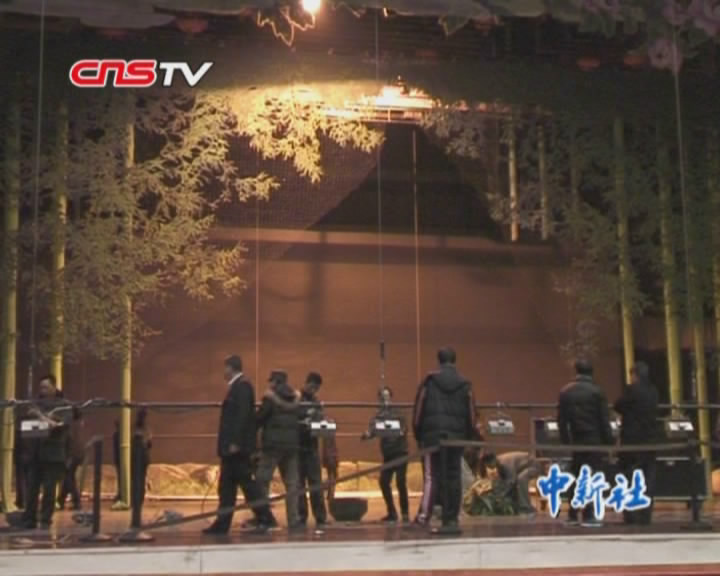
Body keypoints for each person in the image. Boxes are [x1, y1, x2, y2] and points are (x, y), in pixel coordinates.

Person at [203, 355, 274, 535]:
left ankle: (265, 517)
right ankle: (223, 523)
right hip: (232, 449)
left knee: (247, 486)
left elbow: (242, 417)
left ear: (231, 368)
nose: (223, 372)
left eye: (225, 368)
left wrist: (235, 442)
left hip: (237, 449)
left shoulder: (242, 387)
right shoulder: (238, 387)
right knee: (227, 487)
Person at [413, 347, 475, 535]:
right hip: (456, 438)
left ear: (439, 361)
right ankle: (451, 518)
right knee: (454, 476)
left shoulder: (429, 382)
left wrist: (419, 435)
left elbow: (418, 411)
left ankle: (424, 516)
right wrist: (468, 437)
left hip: (432, 437)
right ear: (455, 360)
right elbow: (472, 416)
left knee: (432, 476)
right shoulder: (465, 384)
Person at [557, 359, 613, 528]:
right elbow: (604, 419)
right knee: (592, 476)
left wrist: (566, 440)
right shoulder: (598, 392)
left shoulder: (566, 392)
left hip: (577, 439)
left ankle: (572, 513)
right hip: (594, 439)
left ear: (576, 371)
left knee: (575, 476)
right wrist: (609, 440)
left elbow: (561, 420)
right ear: (591, 372)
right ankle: (589, 514)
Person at [21, 375, 71, 529]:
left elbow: (57, 426)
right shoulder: (37, 404)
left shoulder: (63, 405)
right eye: (41, 387)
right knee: (32, 489)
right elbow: (28, 427)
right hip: (36, 453)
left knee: (49, 490)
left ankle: (45, 519)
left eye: (46, 387)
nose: (42, 390)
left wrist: (40, 416)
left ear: (54, 388)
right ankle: (29, 519)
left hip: (53, 454)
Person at [255, 370, 301, 531]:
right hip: (291, 446)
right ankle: (293, 519)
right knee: (292, 484)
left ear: (275, 382)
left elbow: (259, 419)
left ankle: (265, 518)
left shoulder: (270, 399)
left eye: (271, 381)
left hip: (272, 447)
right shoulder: (295, 399)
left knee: (262, 480)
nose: (269, 384)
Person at [613, 361, 658, 525]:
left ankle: (630, 515)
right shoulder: (653, 391)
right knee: (648, 478)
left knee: (628, 476)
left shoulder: (631, 390)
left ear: (634, 375)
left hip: (631, 440)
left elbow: (618, 406)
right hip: (650, 439)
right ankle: (646, 515)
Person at [362, 386, 409, 523]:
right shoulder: (378, 416)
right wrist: (366, 435)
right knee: (384, 482)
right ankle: (392, 512)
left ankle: (405, 513)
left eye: (387, 397)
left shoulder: (398, 413)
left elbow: (403, 429)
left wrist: (396, 430)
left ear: (391, 398)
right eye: (382, 398)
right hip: (388, 454)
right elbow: (372, 431)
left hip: (400, 452)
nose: (385, 400)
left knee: (401, 482)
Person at [297, 372, 328, 528]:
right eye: (312, 387)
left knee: (315, 483)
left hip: (311, 447)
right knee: (299, 485)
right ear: (307, 383)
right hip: (298, 447)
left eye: (316, 388)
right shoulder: (297, 399)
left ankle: (320, 517)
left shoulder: (316, 402)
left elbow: (320, 419)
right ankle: (301, 516)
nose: (314, 390)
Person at [58, 406, 85, 511]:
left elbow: (71, 442)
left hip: (72, 455)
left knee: (69, 478)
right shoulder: (80, 424)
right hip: (78, 454)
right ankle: (61, 500)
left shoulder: (71, 426)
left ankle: (76, 501)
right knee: (69, 477)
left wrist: (68, 457)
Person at [130, 408, 152, 528]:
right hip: (143, 458)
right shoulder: (146, 430)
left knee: (135, 483)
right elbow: (149, 444)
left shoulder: (134, 429)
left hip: (137, 459)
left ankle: (136, 508)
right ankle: (138, 508)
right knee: (140, 483)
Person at [321, 435, 338, 505]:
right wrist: (332, 458)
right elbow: (329, 447)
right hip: (331, 458)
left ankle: (330, 495)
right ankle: (330, 496)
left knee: (333, 476)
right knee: (333, 476)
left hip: (330, 457)